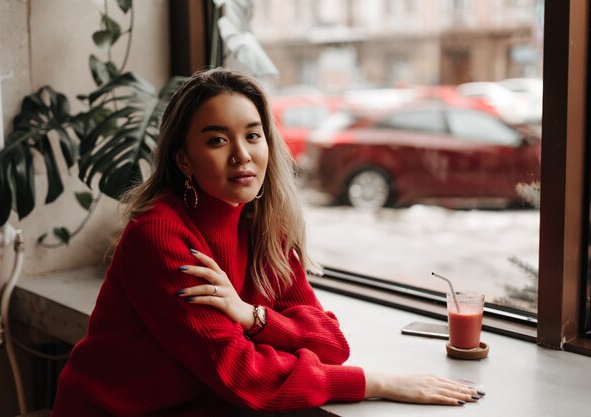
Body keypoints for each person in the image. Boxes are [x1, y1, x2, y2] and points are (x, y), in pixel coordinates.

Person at [52, 68, 484, 417]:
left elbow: (331, 343)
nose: (241, 154)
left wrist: (251, 316)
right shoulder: (161, 235)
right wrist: (382, 382)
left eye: (253, 135)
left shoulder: (262, 223)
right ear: (183, 159)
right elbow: (244, 374)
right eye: (217, 139)